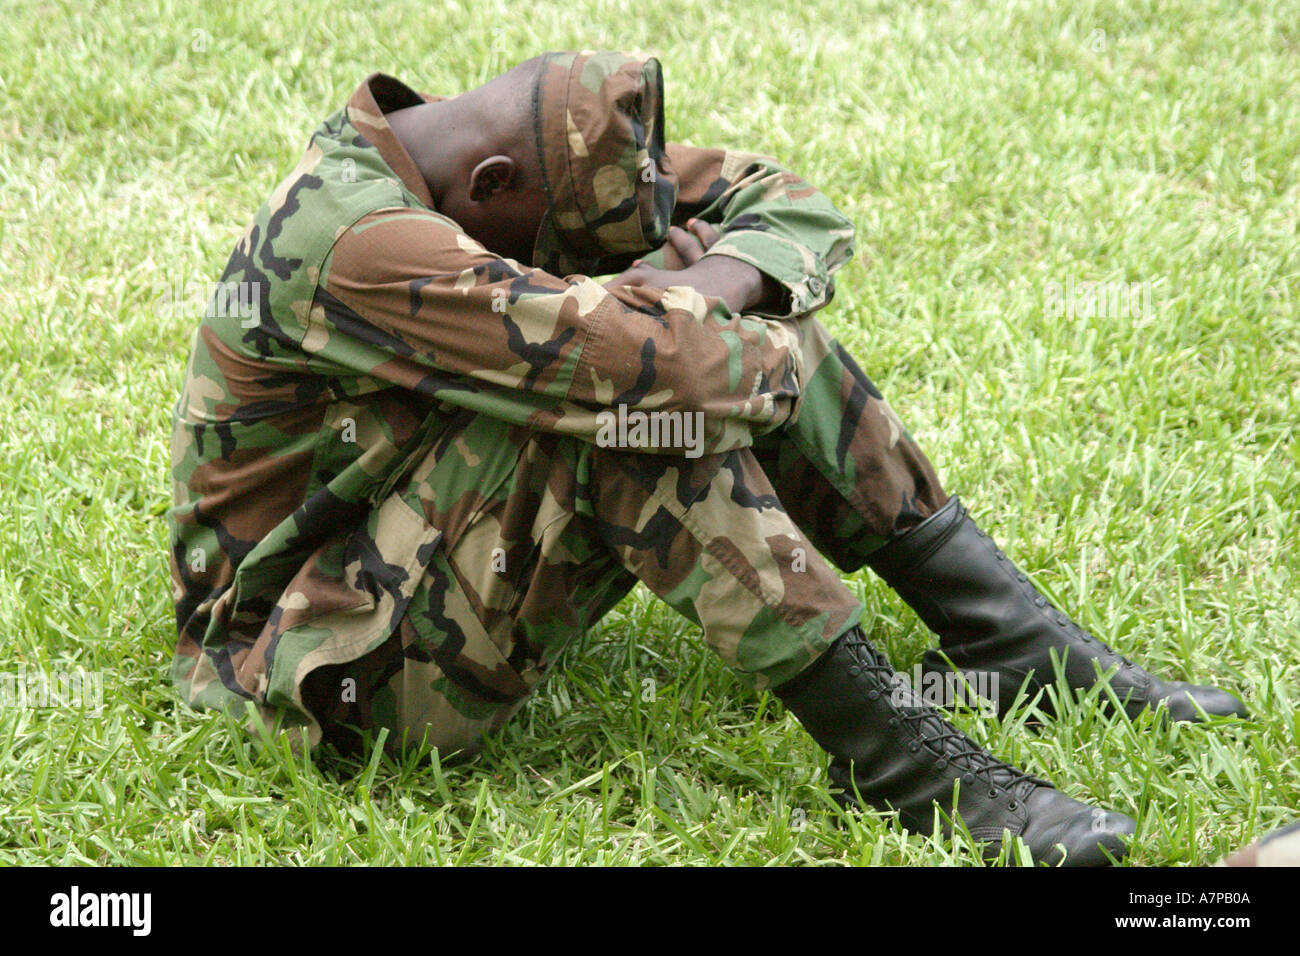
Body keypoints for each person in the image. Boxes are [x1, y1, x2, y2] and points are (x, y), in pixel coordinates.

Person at [167, 51, 1248, 866]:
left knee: (695, 333)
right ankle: (897, 761)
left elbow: (787, 202)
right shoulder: (361, 239)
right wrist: (698, 319)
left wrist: (717, 283)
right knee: (631, 418)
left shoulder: (488, 162)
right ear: (492, 186)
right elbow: (669, 376)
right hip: (302, 666)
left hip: (396, 562)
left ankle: (1009, 641)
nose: (619, 245)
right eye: (571, 243)